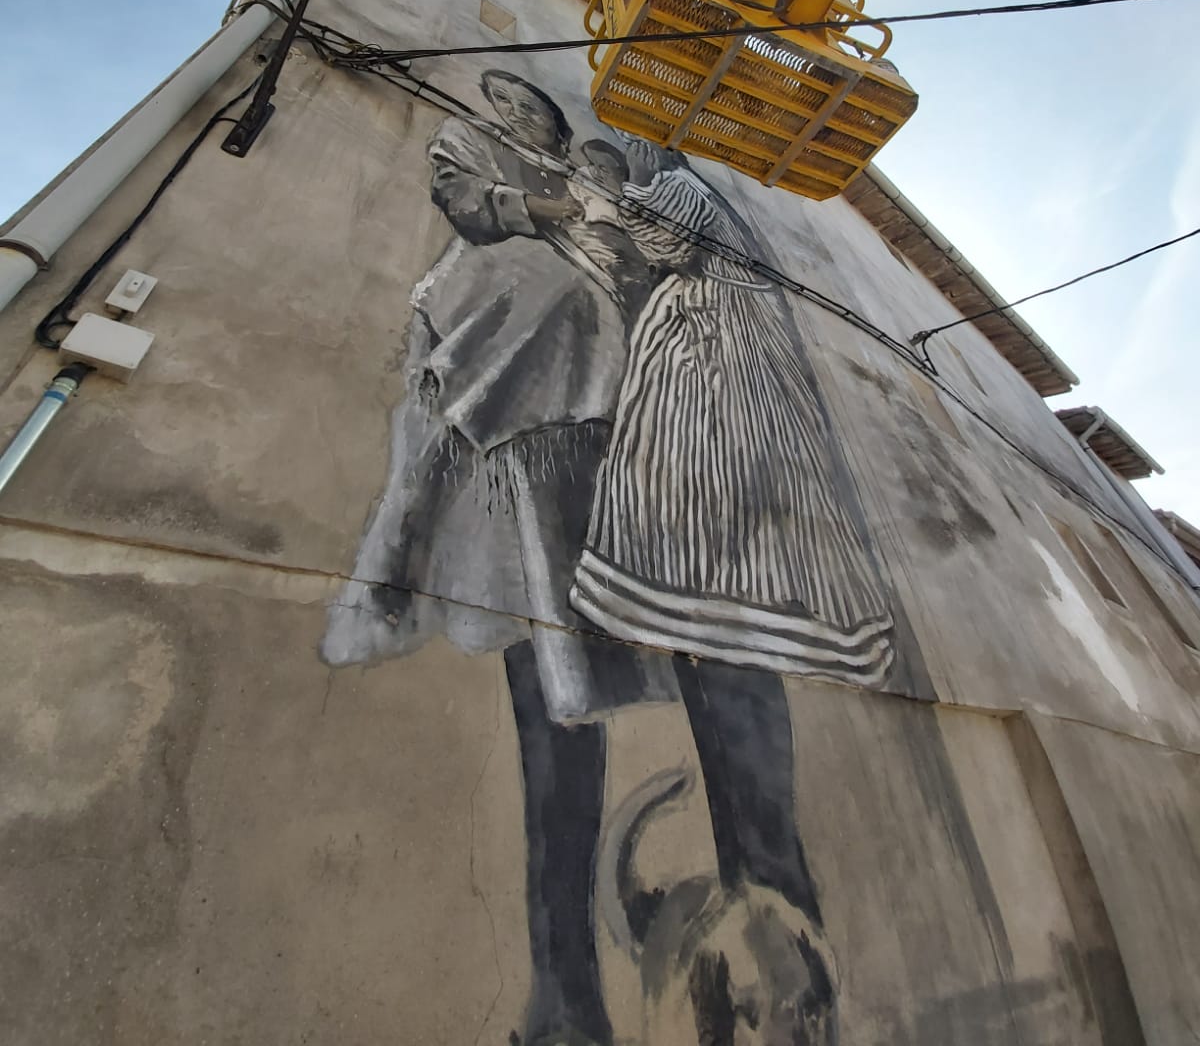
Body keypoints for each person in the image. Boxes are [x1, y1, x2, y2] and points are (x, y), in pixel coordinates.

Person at [321, 71, 663, 1046]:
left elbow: (629, 269)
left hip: (573, 417)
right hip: (494, 354)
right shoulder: (477, 162)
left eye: (535, 114)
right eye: (514, 109)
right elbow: (469, 204)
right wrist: (554, 210)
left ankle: (566, 996)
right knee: (526, 622)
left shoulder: (587, 204)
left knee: (565, 675)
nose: (524, 119)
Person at [569, 139, 898, 1030]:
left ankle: (776, 924)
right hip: (709, 366)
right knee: (705, 585)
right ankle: (764, 908)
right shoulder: (702, 226)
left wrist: (593, 202)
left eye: (620, 154)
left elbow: (652, 242)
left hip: (715, 382)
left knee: (704, 523)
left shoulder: (684, 194)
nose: (618, 161)